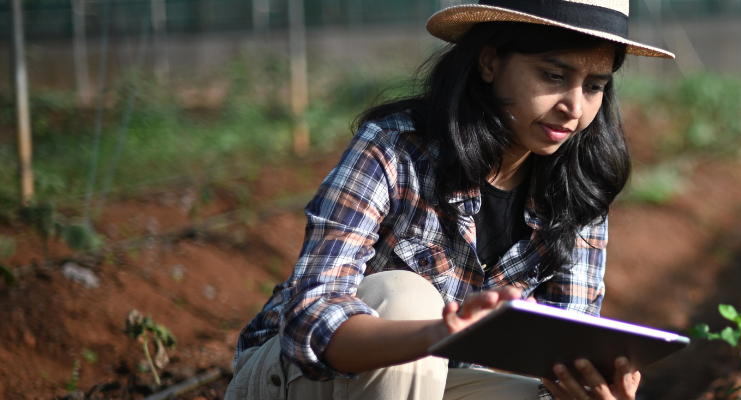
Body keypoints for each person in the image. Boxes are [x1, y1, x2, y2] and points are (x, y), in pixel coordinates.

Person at [224, 0, 674, 398]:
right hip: (300, 380)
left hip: (435, 386)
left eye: (594, 86)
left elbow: (560, 345)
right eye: (554, 76)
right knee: (406, 300)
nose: (574, 107)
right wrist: (439, 332)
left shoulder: (578, 188)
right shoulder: (396, 149)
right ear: (490, 61)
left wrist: (585, 387)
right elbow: (310, 317)